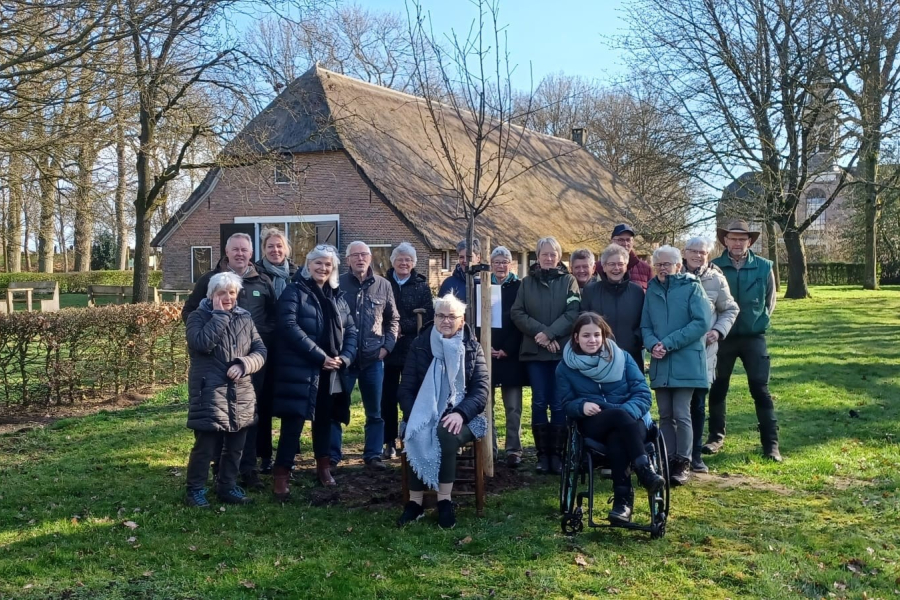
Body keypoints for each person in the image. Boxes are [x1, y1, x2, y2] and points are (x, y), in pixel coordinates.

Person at [182, 232, 276, 490]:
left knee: (245, 419)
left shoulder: (262, 281)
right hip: (212, 373)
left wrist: (250, 356)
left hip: (246, 368)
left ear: (251, 253)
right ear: (226, 252)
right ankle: (209, 477)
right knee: (213, 426)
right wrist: (212, 326)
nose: (240, 254)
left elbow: (272, 317)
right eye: (235, 249)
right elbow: (191, 315)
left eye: (244, 250)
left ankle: (244, 471)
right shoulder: (208, 281)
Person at [557, 312, 665, 522]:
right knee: (616, 418)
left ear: (604, 336)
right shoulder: (565, 367)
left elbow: (642, 394)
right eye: (586, 335)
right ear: (576, 337)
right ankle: (644, 471)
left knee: (618, 435)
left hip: (632, 421)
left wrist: (625, 412)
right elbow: (566, 403)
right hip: (594, 422)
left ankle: (622, 502)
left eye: (597, 335)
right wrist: (581, 405)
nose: (592, 340)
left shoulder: (623, 358)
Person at [271, 245, 358, 496]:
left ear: (333, 269)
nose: (323, 268)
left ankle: (323, 468)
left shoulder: (337, 296)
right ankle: (281, 474)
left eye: (328, 264)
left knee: (325, 421)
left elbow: (351, 330)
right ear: (308, 265)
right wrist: (320, 357)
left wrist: (345, 358)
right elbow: (288, 327)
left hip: (332, 371)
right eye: (318, 263)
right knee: (293, 424)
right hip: (301, 370)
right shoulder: (294, 292)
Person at [396, 294, 489, 529]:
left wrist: (460, 413)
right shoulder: (419, 345)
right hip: (422, 411)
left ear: (462, 319)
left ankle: (444, 501)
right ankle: (415, 504)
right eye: (441, 315)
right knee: (418, 430)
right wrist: (416, 414)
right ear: (434, 317)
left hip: (463, 415)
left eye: (452, 316)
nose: (446, 321)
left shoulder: (471, 346)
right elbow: (405, 388)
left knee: (444, 432)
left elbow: (481, 390)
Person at [703, 221, 782, 462]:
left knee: (760, 389)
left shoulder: (764, 266)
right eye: (733, 238)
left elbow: (771, 300)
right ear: (724, 241)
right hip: (722, 338)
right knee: (718, 387)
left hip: (753, 337)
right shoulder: (713, 267)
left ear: (750, 241)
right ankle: (715, 437)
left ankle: (771, 445)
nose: (737, 243)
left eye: (742, 239)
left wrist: (758, 321)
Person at [641, 245, 712, 486]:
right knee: (665, 414)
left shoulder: (693, 288)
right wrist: (652, 344)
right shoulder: (651, 290)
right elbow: (645, 325)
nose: (662, 268)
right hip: (661, 361)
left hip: (686, 361)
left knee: (682, 413)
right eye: (658, 264)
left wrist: (668, 343)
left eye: (667, 264)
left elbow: (701, 322)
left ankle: (683, 461)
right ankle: (666, 459)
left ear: (678, 266)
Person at [511, 236, 581, 475]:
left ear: (559, 257)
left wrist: (551, 334)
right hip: (535, 352)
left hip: (561, 352)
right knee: (540, 401)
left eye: (553, 254)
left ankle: (558, 456)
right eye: (544, 254)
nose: (549, 258)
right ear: (537, 257)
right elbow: (517, 313)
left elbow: (573, 313)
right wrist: (541, 334)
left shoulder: (569, 281)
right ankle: (542, 456)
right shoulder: (527, 283)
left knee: (559, 403)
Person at [331, 241, 400, 471]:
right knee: (337, 408)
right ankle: (332, 455)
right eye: (355, 255)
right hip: (345, 360)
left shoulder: (383, 285)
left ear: (370, 258)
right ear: (348, 259)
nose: (360, 259)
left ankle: (372, 454)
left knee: (375, 411)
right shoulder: (337, 284)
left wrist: (387, 347)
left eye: (364, 255)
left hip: (373, 360)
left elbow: (393, 320)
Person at [682, 236, 739, 473]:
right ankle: (676, 454)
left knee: (696, 405)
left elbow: (731, 308)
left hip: (704, 354)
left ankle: (695, 455)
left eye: (702, 253)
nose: (697, 256)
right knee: (676, 407)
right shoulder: (672, 276)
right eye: (693, 251)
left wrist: (718, 330)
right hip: (677, 353)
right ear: (684, 253)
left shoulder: (716, 279)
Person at [382, 242, 434, 459]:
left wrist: (403, 326)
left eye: (408, 260)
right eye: (400, 259)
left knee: (411, 393)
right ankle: (388, 441)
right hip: (388, 348)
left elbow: (428, 314)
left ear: (413, 263)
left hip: (413, 348)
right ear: (392, 262)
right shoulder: (383, 284)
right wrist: (392, 330)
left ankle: (411, 436)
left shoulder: (422, 286)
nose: (404, 263)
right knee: (388, 396)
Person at [253, 228, 299, 474]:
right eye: (270, 246)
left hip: (291, 348)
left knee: (291, 401)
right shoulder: (255, 274)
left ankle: (289, 454)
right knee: (264, 401)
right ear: (264, 249)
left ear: (286, 249)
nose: (275, 250)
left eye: (279, 246)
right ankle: (264, 455)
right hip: (264, 346)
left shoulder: (297, 274)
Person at [488, 246, 526, 468]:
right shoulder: (482, 284)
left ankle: (513, 450)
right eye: (497, 262)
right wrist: (488, 347)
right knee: (486, 405)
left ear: (510, 264)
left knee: (513, 407)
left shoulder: (519, 287)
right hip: (488, 352)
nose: (501, 266)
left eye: (505, 262)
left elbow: (519, 320)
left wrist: (507, 349)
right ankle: (489, 448)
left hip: (511, 355)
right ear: (491, 264)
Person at [581, 244, 646, 371]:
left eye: (620, 264)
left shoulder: (637, 291)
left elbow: (643, 321)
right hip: (598, 357)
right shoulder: (591, 291)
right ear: (604, 267)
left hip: (631, 357)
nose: (616, 268)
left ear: (626, 266)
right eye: (611, 264)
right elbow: (582, 321)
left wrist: (635, 340)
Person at [595, 224, 652, 291]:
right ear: (612, 241)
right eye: (620, 240)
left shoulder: (645, 269)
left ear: (633, 242)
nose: (625, 243)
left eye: (628, 240)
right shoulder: (598, 267)